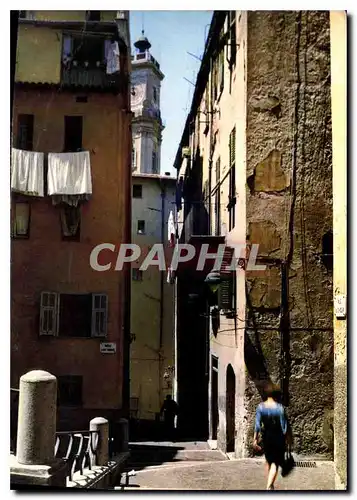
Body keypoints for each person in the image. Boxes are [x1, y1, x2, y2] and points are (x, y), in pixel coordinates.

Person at [253, 383, 289, 490]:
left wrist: (255, 439)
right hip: (278, 438)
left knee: (269, 461)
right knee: (275, 463)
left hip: (266, 438)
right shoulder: (280, 408)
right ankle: (269, 487)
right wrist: (287, 440)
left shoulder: (260, 407)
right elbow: (284, 426)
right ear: (276, 394)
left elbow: (257, 425)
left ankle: (271, 485)